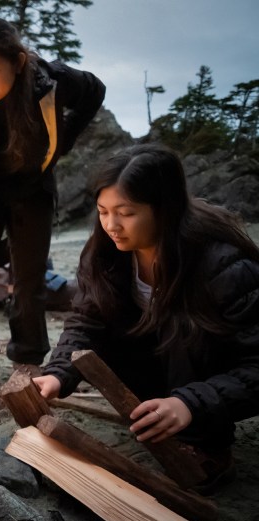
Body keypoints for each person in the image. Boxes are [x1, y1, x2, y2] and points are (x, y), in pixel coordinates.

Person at [33, 144, 259, 492]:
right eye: (103, 211)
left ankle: (206, 445)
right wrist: (58, 372)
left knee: (186, 331)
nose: (111, 225)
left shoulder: (222, 265)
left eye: (126, 212)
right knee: (106, 334)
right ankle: (158, 412)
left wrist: (189, 403)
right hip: (153, 368)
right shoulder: (107, 254)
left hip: (205, 372)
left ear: (164, 209)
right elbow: (86, 321)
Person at [0, 17, 106, 395]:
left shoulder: (52, 82)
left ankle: (28, 361)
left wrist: (65, 138)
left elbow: (95, 90)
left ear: (17, 62)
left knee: (29, 277)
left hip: (32, 187)